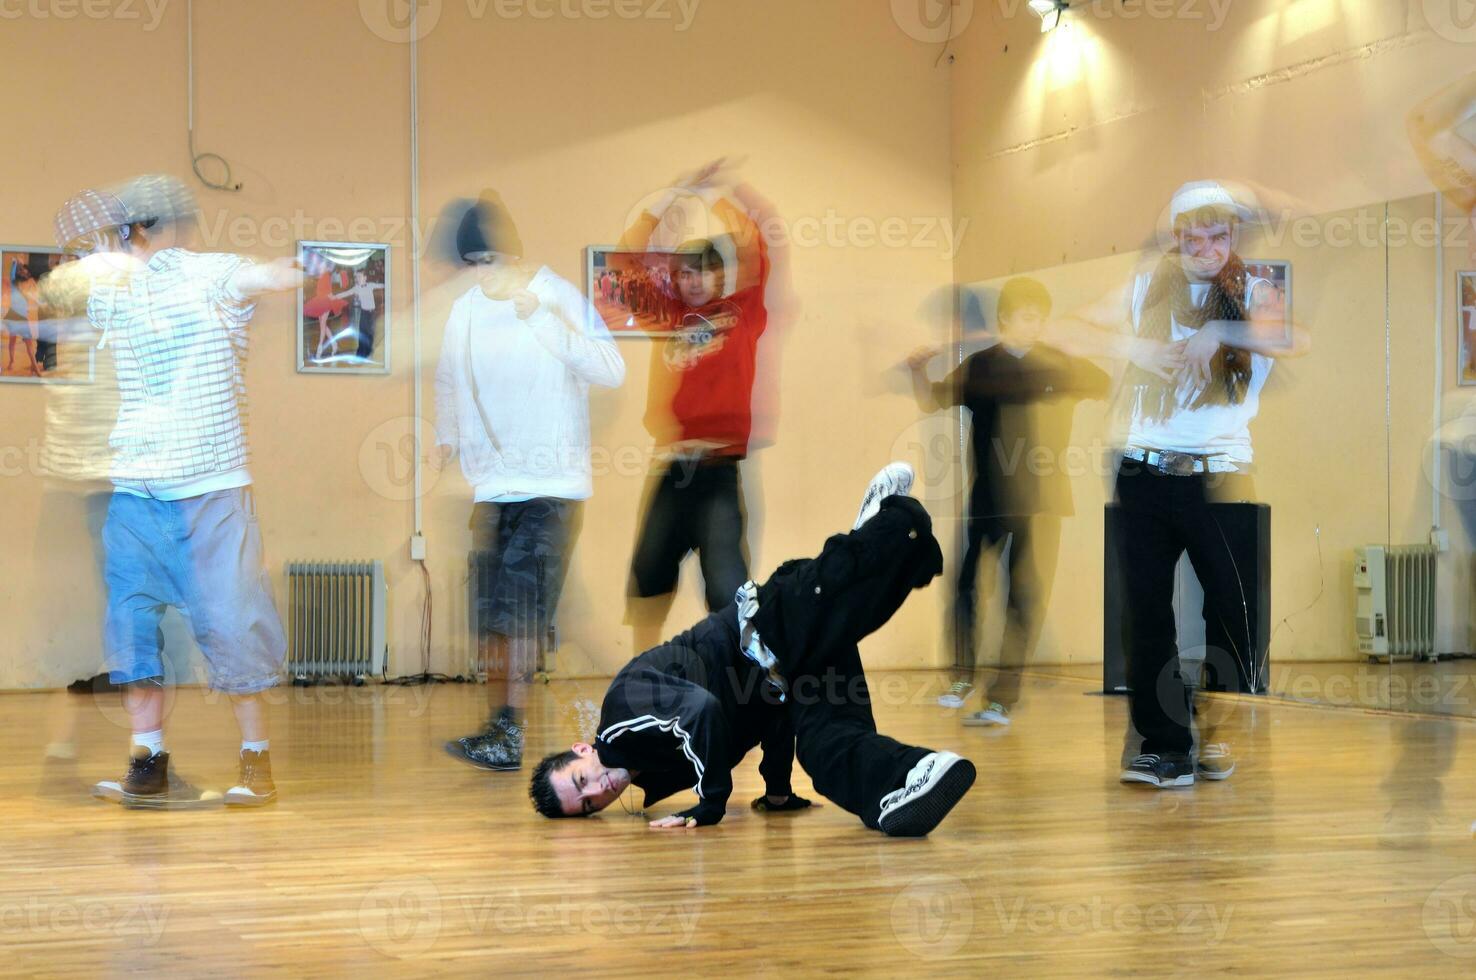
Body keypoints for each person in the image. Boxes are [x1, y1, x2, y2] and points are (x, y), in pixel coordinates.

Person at [528, 463, 979, 838]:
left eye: (582, 780)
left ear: (581, 749)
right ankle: (915, 775)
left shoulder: (623, 710)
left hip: (767, 624)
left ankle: (881, 519)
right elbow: (759, 716)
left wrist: (710, 803)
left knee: (871, 579)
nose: (600, 789)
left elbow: (700, 711)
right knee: (826, 749)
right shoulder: (654, 774)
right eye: (589, 805)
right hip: (790, 675)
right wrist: (777, 791)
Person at [1051, 180, 1306, 789]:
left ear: (1232, 236)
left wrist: (1221, 333)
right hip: (1143, 470)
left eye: (1217, 236)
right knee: (1146, 615)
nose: (1205, 247)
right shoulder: (1145, 289)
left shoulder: (1254, 291)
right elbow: (1065, 328)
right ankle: (1165, 747)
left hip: (1221, 475)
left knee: (1233, 615)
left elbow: (1290, 338)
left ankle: (1215, 730)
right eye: (1193, 236)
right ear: (1177, 237)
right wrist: (1132, 344)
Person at [66, 175, 304, 809]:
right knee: (131, 631)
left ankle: (256, 764)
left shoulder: (208, 274)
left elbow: (247, 277)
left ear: (139, 228)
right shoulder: (112, 292)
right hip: (134, 496)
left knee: (233, 626)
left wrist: (280, 272)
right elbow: (79, 299)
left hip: (212, 491)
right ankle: (149, 762)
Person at [435, 190, 625, 771]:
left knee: (520, 615)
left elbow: (610, 369)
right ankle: (501, 729)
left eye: (488, 261)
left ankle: (529, 732)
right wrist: (448, 437)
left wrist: (542, 319)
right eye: (471, 264)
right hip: (492, 488)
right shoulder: (464, 309)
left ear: (511, 254)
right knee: (493, 617)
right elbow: (448, 379)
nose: (480, 274)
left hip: (551, 488)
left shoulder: (555, 295)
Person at [907, 278, 1109, 729]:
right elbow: (931, 400)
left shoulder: (1058, 364)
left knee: (1022, 598)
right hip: (989, 500)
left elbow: (1107, 383)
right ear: (1004, 321)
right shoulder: (981, 366)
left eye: (1040, 316)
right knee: (964, 587)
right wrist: (918, 370)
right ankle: (962, 678)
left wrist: (1080, 345)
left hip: (1042, 503)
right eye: (1025, 317)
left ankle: (1003, 696)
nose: (1034, 325)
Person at [619, 160, 774, 653]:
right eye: (684, 274)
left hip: (718, 471)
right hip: (674, 467)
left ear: (720, 276)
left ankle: (741, 683)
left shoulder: (742, 313)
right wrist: (672, 194)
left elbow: (762, 244)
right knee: (648, 574)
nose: (693, 282)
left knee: (727, 587)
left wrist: (719, 194)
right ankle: (643, 676)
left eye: (703, 273)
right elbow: (625, 262)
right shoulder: (670, 318)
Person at [334, 268, 385, 360]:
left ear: (365, 278)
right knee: (362, 332)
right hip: (364, 313)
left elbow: (381, 285)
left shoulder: (370, 285)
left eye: (359, 276)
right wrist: (335, 296)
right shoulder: (356, 288)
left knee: (370, 334)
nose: (357, 278)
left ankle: (368, 352)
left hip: (372, 314)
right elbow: (346, 293)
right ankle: (361, 353)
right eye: (356, 277)